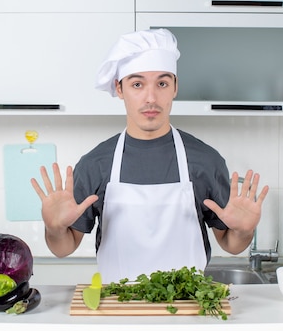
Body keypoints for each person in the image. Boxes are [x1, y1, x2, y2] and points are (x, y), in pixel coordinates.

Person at [31, 28, 269, 282]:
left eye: (162, 83)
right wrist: (54, 228)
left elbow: (231, 245)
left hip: (187, 308)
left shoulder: (206, 161)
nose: (151, 98)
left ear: (175, 87)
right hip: (118, 308)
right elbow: (63, 247)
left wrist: (244, 231)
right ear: (119, 89)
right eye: (137, 84)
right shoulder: (95, 164)